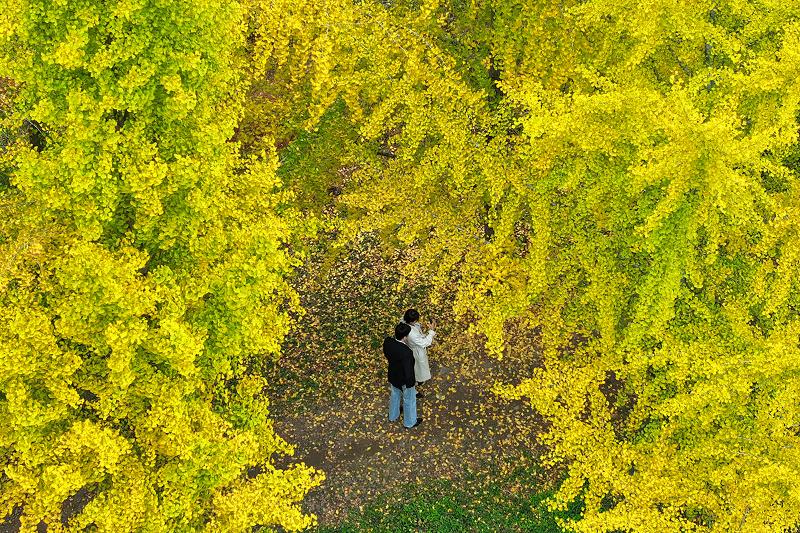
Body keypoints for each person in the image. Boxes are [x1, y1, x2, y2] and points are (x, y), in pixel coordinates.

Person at [383, 322, 422, 429]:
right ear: (405, 337)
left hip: (393, 375)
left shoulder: (388, 341)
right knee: (409, 400)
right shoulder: (407, 352)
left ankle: (393, 416)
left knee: (395, 395)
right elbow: (408, 371)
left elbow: (387, 355)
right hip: (404, 379)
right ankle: (410, 422)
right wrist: (411, 383)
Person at [402, 308, 435, 397]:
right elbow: (425, 343)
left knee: (416, 369)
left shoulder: (404, 322)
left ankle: (417, 381)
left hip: (413, 348)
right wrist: (431, 331)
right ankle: (413, 388)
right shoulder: (412, 334)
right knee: (415, 369)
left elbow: (419, 334)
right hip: (415, 351)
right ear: (413, 320)